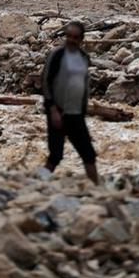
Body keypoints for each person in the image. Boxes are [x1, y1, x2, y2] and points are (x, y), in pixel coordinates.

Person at [41, 21, 99, 185]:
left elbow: (84, 83)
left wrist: (84, 110)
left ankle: (97, 188)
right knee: (55, 155)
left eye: (75, 37)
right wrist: (52, 109)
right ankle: (36, 182)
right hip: (58, 112)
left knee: (88, 154)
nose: (71, 40)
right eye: (69, 36)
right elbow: (46, 82)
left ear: (81, 39)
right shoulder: (57, 55)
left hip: (76, 113)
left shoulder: (83, 57)